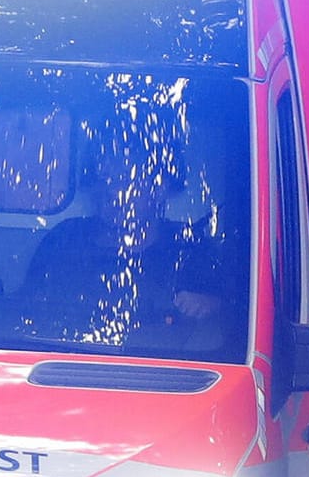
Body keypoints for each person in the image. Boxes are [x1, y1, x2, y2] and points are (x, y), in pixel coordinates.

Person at [24, 135, 226, 345]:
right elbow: (28, 313)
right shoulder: (63, 240)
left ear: (160, 188)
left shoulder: (190, 246)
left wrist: (211, 306)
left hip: (161, 369)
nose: (110, 191)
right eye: (103, 179)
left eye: (123, 179)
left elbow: (231, 318)